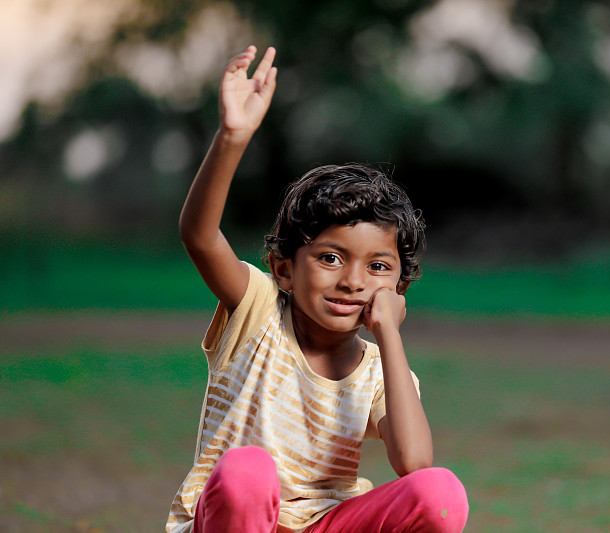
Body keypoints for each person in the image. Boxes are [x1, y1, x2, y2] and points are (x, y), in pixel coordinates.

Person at [166, 45, 469, 533]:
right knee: (248, 472)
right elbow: (199, 236)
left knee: (442, 494)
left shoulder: (379, 371)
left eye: (377, 266)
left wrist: (389, 333)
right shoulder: (259, 312)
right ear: (284, 269)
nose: (351, 280)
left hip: (325, 521)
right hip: (235, 521)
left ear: (398, 286)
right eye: (330, 258)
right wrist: (231, 137)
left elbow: (414, 463)